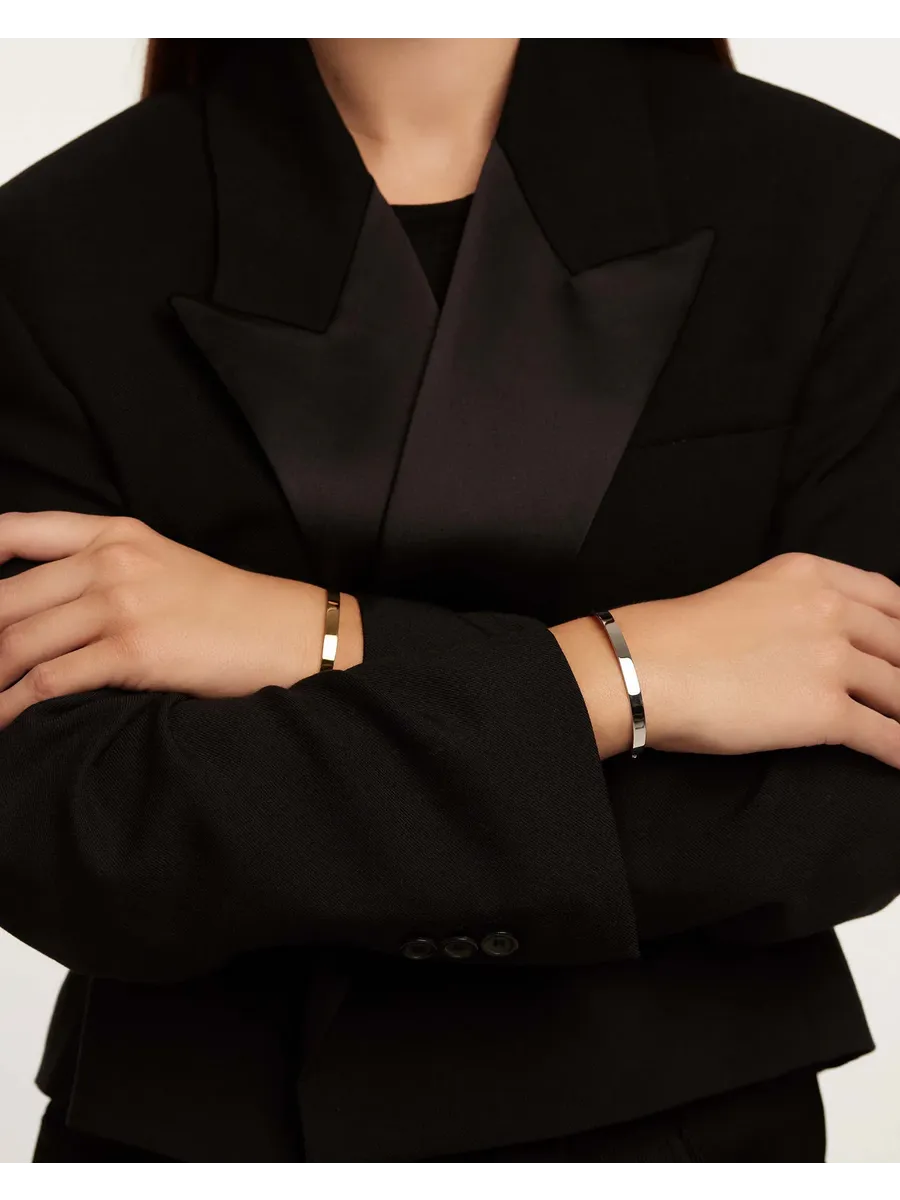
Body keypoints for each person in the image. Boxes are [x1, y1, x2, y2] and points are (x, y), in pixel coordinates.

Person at [1, 31, 899, 1168]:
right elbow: (75, 831)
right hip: (192, 1143)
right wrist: (630, 676)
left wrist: (316, 640)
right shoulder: (52, 244)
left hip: (686, 1136)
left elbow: (847, 811)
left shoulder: (839, 204)